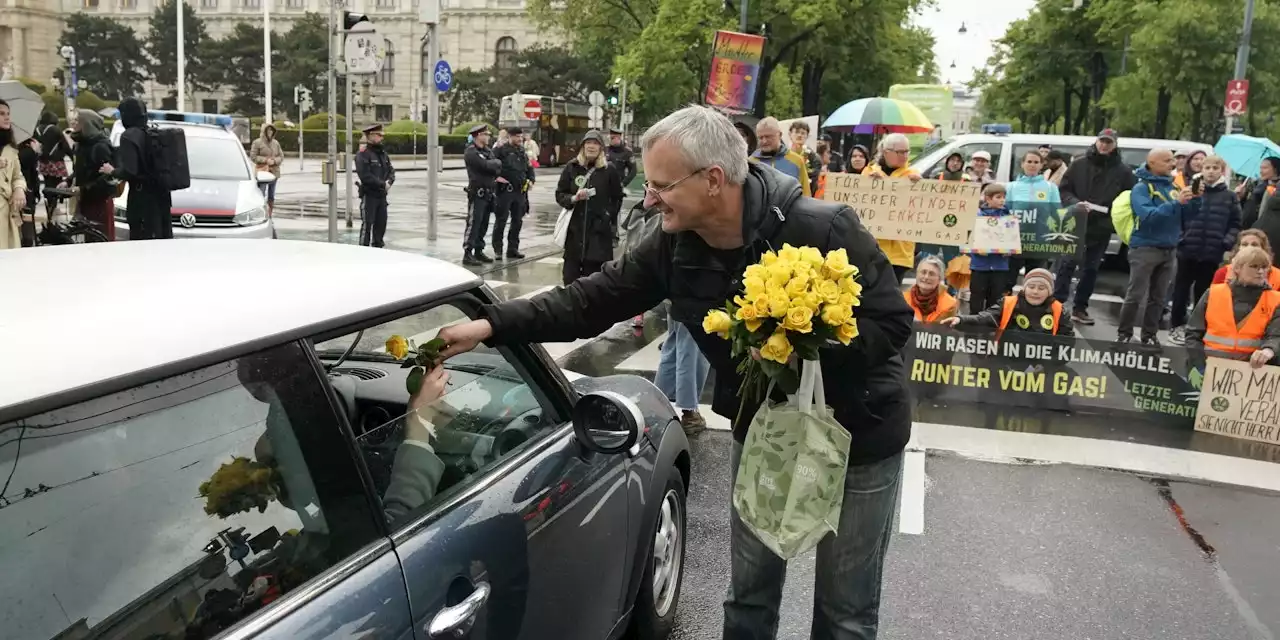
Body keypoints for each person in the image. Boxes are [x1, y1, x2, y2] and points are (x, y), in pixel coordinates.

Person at [435, 105, 912, 640]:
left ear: (712, 180)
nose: (649, 197)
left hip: (860, 437)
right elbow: (591, 300)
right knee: (749, 600)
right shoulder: (674, 244)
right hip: (766, 436)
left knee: (845, 614)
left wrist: (803, 352)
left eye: (661, 184)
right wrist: (489, 325)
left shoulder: (823, 227)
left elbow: (892, 325)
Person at [1054, 128, 1137, 325]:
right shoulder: (1079, 164)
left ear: (1115, 144)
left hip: (1101, 226)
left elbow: (1127, 198)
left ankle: (1080, 307)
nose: (1104, 145)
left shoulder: (1123, 171)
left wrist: (1109, 217)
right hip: (1076, 222)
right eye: (1102, 141)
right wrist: (1074, 204)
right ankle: (1057, 304)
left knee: (1091, 268)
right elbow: (1064, 189)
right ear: (1096, 141)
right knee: (1066, 264)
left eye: (1108, 142)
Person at [1117, 148, 1196, 344]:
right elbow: (1148, 216)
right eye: (1167, 161)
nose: (1172, 164)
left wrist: (1195, 199)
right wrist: (1176, 204)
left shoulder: (1173, 187)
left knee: (1159, 297)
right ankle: (1124, 334)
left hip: (1169, 249)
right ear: (1152, 163)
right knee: (1136, 294)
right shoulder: (1141, 188)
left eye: (1173, 160)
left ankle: (1149, 335)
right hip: (1145, 248)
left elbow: (1187, 217)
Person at [1169, 155, 1241, 345]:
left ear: (1221, 171)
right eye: (1207, 167)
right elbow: (1178, 215)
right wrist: (1181, 238)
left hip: (1211, 251)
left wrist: (1226, 242)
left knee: (1203, 292)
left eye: (1215, 168)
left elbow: (1235, 223)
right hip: (1188, 248)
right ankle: (1176, 325)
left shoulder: (1229, 196)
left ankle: (1196, 328)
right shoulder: (1192, 190)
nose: (1210, 171)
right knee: (1181, 289)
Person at [1186, 246, 1280, 369]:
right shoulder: (1213, 293)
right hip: (1209, 366)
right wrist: (1199, 363)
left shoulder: (1275, 299)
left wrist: (1268, 351)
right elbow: (1193, 333)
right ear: (1237, 268)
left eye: (1264, 267)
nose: (1261, 271)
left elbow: (1275, 336)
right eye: (1254, 266)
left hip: (1251, 371)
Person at [555, 129, 622, 284]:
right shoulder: (571, 167)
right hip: (574, 234)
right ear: (582, 146)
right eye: (588, 143)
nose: (591, 146)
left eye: (595, 143)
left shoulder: (608, 170)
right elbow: (560, 194)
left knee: (594, 282)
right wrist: (573, 198)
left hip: (598, 236)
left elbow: (617, 198)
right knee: (570, 280)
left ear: (601, 148)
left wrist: (607, 216)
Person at [101, 97, 172, 240]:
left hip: (141, 199)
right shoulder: (153, 132)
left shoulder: (129, 136)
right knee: (161, 240)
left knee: (141, 243)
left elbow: (130, 171)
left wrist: (112, 171)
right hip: (162, 196)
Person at [942, 268, 1074, 337]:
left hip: (1043, 366)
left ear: (1049, 291)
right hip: (1007, 362)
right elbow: (986, 318)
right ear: (1024, 288)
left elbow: (1066, 342)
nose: (1035, 292)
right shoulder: (1008, 304)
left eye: (1041, 288)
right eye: (1031, 287)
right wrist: (961, 320)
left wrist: (1047, 365)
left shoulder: (1060, 311)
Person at [863, 133, 923, 283]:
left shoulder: (913, 175)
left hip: (900, 252)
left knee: (893, 295)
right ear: (886, 152)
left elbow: (920, 208)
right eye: (900, 152)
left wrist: (922, 187)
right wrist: (868, 185)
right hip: (873, 248)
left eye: (907, 151)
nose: (905, 156)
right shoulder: (869, 173)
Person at [1006, 149, 1062, 292]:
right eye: (1029, 161)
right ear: (1022, 164)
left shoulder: (1050, 187)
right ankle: (1005, 309)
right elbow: (1005, 213)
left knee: (1035, 281)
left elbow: (1056, 214)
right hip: (1015, 241)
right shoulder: (1011, 187)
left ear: (1042, 165)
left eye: (1036, 162)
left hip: (1039, 242)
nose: (1032, 165)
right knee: (1007, 280)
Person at [63, 109, 117, 241]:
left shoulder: (100, 147)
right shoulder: (81, 144)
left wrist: (83, 189)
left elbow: (107, 180)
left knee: (99, 240)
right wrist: (68, 181)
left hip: (99, 204)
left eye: (77, 120)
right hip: (86, 201)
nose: (73, 123)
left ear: (87, 124)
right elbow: (81, 170)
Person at [655, 314, 711, 436]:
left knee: (673, 348)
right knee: (690, 353)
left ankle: (657, 409)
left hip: (676, 300)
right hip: (695, 302)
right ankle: (690, 415)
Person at [969, 183, 1012, 311]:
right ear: (988, 199)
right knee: (977, 296)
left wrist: (1009, 250)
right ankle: (972, 326)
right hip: (979, 265)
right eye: (998, 197)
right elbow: (969, 238)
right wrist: (976, 249)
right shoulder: (977, 217)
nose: (1002, 200)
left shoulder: (1008, 218)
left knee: (995, 298)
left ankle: (991, 325)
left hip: (1000, 265)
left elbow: (1012, 238)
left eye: (1004, 197)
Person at [462, 123, 502, 265]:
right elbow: (485, 166)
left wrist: (492, 164)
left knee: (484, 223)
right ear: (479, 135)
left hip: (488, 193)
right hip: (477, 193)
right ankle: (468, 253)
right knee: (474, 223)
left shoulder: (487, 151)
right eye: (486, 134)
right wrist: (492, 164)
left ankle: (479, 250)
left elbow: (497, 167)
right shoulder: (471, 151)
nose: (488, 137)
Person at [492, 127, 534, 259]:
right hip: (505, 191)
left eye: (521, 137)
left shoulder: (522, 151)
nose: (520, 139)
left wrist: (531, 180)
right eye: (517, 137)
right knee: (501, 220)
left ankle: (513, 248)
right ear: (510, 137)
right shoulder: (500, 150)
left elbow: (529, 167)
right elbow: (492, 167)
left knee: (517, 221)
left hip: (520, 191)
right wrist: (496, 179)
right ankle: (498, 249)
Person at [355, 123, 395, 249]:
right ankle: (363, 252)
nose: (381, 138)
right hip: (370, 195)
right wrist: (383, 184)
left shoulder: (382, 154)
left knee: (381, 226)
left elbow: (391, 171)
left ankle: (378, 250)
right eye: (378, 135)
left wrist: (389, 181)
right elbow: (365, 176)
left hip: (382, 196)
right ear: (370, 136)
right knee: (367, 226)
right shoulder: (363, 154)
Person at [752, 117, 811, 196]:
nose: (764, 141)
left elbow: (806, 195)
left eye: (768, 136)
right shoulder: (751, 163)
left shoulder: (797, 161)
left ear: (780, 135)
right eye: (760, 137)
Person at [1212, 229, 1280, 289]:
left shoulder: (1277, 276)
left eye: (1254, 245)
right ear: (1238, 248)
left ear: (1263, 249)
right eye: (1244, 244)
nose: (1249, 248)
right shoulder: (1222, 273)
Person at [35, 110, 71, 219]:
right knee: (57, 184)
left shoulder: (37, 130)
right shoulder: (55, 130)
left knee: (47, 182)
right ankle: (53, 205)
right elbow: (65, 145)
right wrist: (72, 156)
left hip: (43, 161)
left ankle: (48, 202)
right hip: (56, 161)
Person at [0, 99, 26, 250]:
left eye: (8, 114)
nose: (7, 117)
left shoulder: (11, 148)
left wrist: (19, 189)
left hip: (7, 213)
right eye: (1, 114)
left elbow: (18, 176)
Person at [904, 254, 959, 323]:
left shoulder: (950, 304)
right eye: (923, 272)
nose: (926, 277)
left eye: (931, 274)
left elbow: (944, 331)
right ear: (917, 274)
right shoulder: (902, 299)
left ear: (939, 279)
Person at [250, 123, 285, 217]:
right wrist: (265, 160)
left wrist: (274, 161)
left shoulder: (276, 143)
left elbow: (281, 156)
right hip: (263, 172)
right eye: (268, 130)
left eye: (271, 130)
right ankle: (259, 212)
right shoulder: (257, 142)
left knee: (271, 195)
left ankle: (270, 214)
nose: (270, 132)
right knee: (261, 192)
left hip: (274, 172)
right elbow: (253, 156)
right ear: (264, 131)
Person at [788, 119, 823, 190]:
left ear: (807, 136)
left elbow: (813, 182)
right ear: (790, 134)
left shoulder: (814, 158)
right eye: (796, 132)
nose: (799, 135)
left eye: (803, 133)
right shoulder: (784, 154)